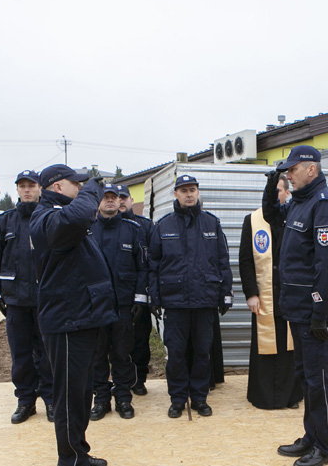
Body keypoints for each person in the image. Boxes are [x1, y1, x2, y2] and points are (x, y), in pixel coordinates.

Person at [30, 164, 117, 466]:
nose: (81, 188)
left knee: (80, 394)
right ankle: (69, 463)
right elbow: (79, 216)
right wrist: (93, 188)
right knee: (69, 396)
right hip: (66, 320)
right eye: (75, 184)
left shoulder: (61, 217)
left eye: (83, 185)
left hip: (80, 317)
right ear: (56, 187)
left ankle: (79, 451)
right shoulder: (48, 218)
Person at [265, 145, 328, 466]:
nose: (288, 174)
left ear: (311, 169)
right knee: (305, 375)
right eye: (285, 171)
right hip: (297, 308)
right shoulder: (300, 201)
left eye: (292, 169)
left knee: (320, 379)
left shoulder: (323, 205)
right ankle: (312, 436)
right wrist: (271, 184)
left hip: (315, 312)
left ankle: (325, 447)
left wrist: (320, 313)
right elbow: (272, 216)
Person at [149, 175, 233, 418]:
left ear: (198, 193)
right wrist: (154, 297)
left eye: (192, 190)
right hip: (175, 302)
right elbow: (153, 265)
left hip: (205, 300)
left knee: (202, 352)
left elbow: (223, 262)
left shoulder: (211, 224)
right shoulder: (163, 226)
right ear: (175, 194)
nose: (189, 194)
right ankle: (177, 399)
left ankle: (199, 398)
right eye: (184, 190)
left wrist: (225, 294)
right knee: (176, 353)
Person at [0, 170, 53, 424]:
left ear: (40, 189)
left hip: (45, 299)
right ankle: (25, 401)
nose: (27, 190)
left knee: (48, 354)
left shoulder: (49, 217)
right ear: (17, 190)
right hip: (15, 301)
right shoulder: (6, 221)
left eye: (31, 186)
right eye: (22, 186)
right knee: (21, 355)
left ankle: (51, 400)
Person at [239, 174, 301, 410]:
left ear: (287, 193)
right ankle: (263, 396)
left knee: (289, 347)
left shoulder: (297, 218)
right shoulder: (252, 220)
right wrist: (251, 293)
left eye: (279, 190)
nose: (275, 195)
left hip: (290, 296)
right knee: (265, 347)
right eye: (271, 191)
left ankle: (290, 396)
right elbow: (245, 259)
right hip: (264, 297)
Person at [89, 183, 149, 420]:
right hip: (95, 305)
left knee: (123, 354)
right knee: (97, 355)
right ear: (99, 202)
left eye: (114, 197)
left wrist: (139, 298)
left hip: (123, 305)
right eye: (106, 197)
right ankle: (101, 400)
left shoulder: (132, 230)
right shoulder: (87, 230)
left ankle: (123, 398)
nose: (110, 201)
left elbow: (142, 267)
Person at [118, 184, 153, 396]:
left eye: (124, 197)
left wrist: (146, 295)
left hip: (139, 294)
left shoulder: (145, 226)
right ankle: (119, 381)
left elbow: (152, 262)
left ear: (131, 200)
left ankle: (139, 379)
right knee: (114, 344)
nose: (120, 201)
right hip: (114, 296)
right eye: (116, 197)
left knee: (140, 340)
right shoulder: (97, 226)